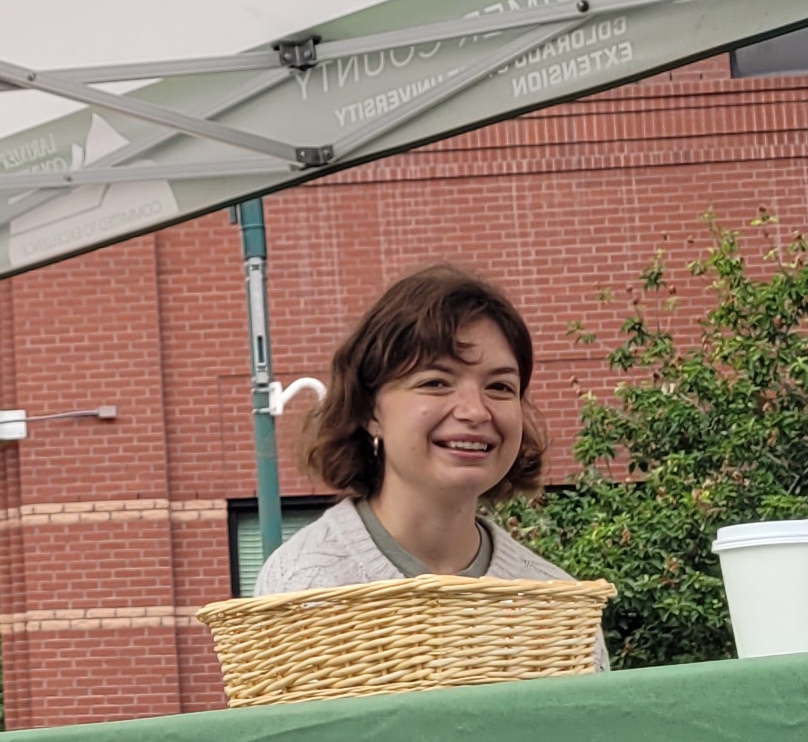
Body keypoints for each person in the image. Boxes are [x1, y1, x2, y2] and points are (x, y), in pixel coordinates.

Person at [257, 263, 604, 664]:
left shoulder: (558, 609)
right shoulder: (301, 590)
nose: (476, 411)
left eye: (500, 387)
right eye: (435, 382)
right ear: (370, 409)